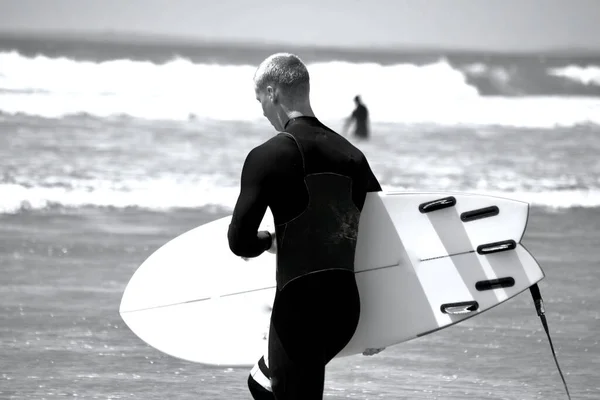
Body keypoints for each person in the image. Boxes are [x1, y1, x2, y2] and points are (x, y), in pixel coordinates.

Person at [227, 53, 382, 400]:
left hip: (299, 309)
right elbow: (379, 235)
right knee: (263, 384)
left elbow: (239, 241)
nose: (262, 111)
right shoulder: (353, 155)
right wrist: (382, 324)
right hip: (345, 312)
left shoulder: (268, 156)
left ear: (272, 93)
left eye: (259, 101)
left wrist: (268, 239)